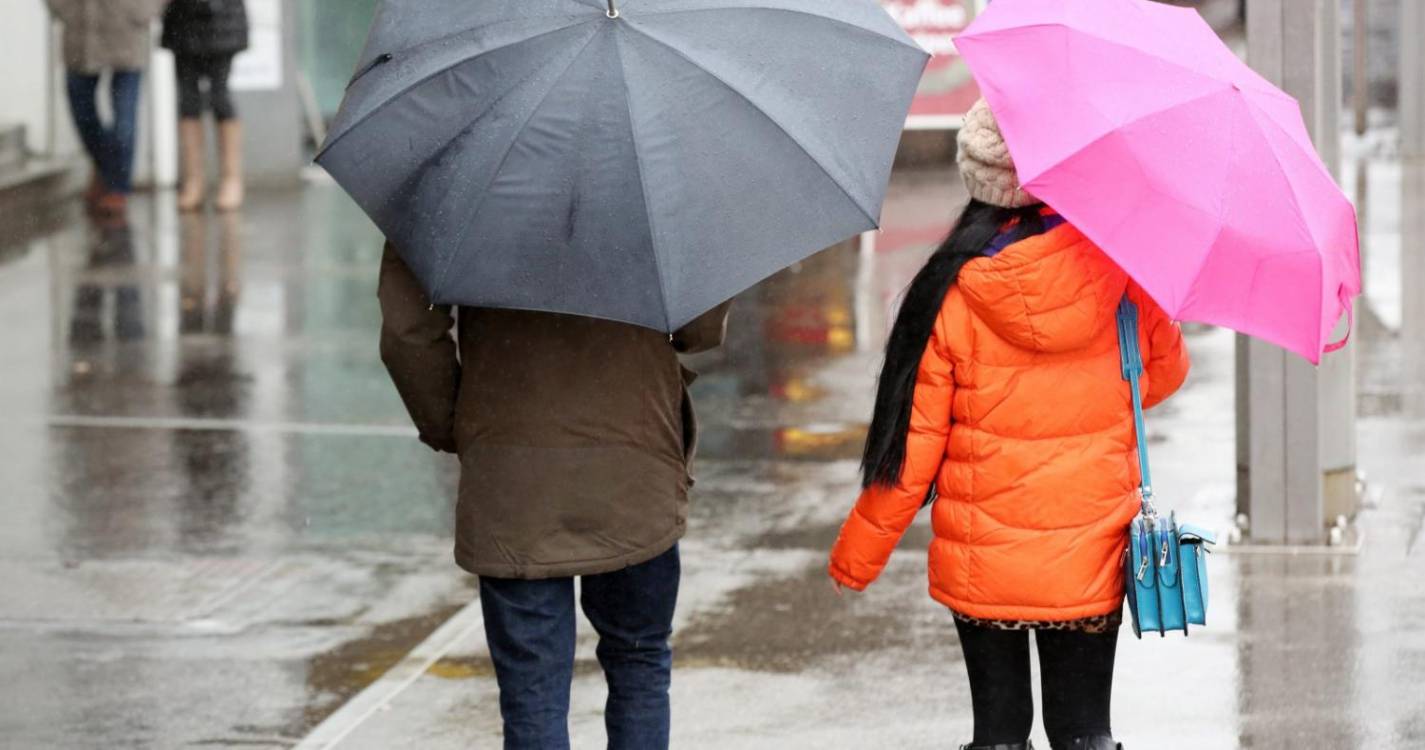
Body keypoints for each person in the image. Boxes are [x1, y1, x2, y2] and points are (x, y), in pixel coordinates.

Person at [826, 99, 1190, 750]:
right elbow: (1156, 381)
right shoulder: (1121, 271)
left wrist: (859, 553)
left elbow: (911, 448)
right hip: (1090, 548)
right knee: (1084, 733)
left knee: (997, 735)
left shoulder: (950, 290)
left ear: (978, 180)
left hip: (981, 560)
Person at [377, 244, 731, 749]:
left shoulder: (446, 179)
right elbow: (696, 328)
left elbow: (407, 335)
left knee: (532, 693)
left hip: (512, 467)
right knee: (639, 661)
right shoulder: (659, 178)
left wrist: (456, 426)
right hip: (633, 456)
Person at [46, 0, 167, 216]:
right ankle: (106, 169)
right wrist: (65, 10)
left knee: (124, 120)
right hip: (81, 32)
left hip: (128, 31)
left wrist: (142, 10)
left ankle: (117, 186)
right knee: (82, 111)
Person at [160, 0, 248, 211]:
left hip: (222, 21)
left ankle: (231, 179)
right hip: (183, 21)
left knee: (220, 97)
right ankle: (193, 181)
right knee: (188, 101)